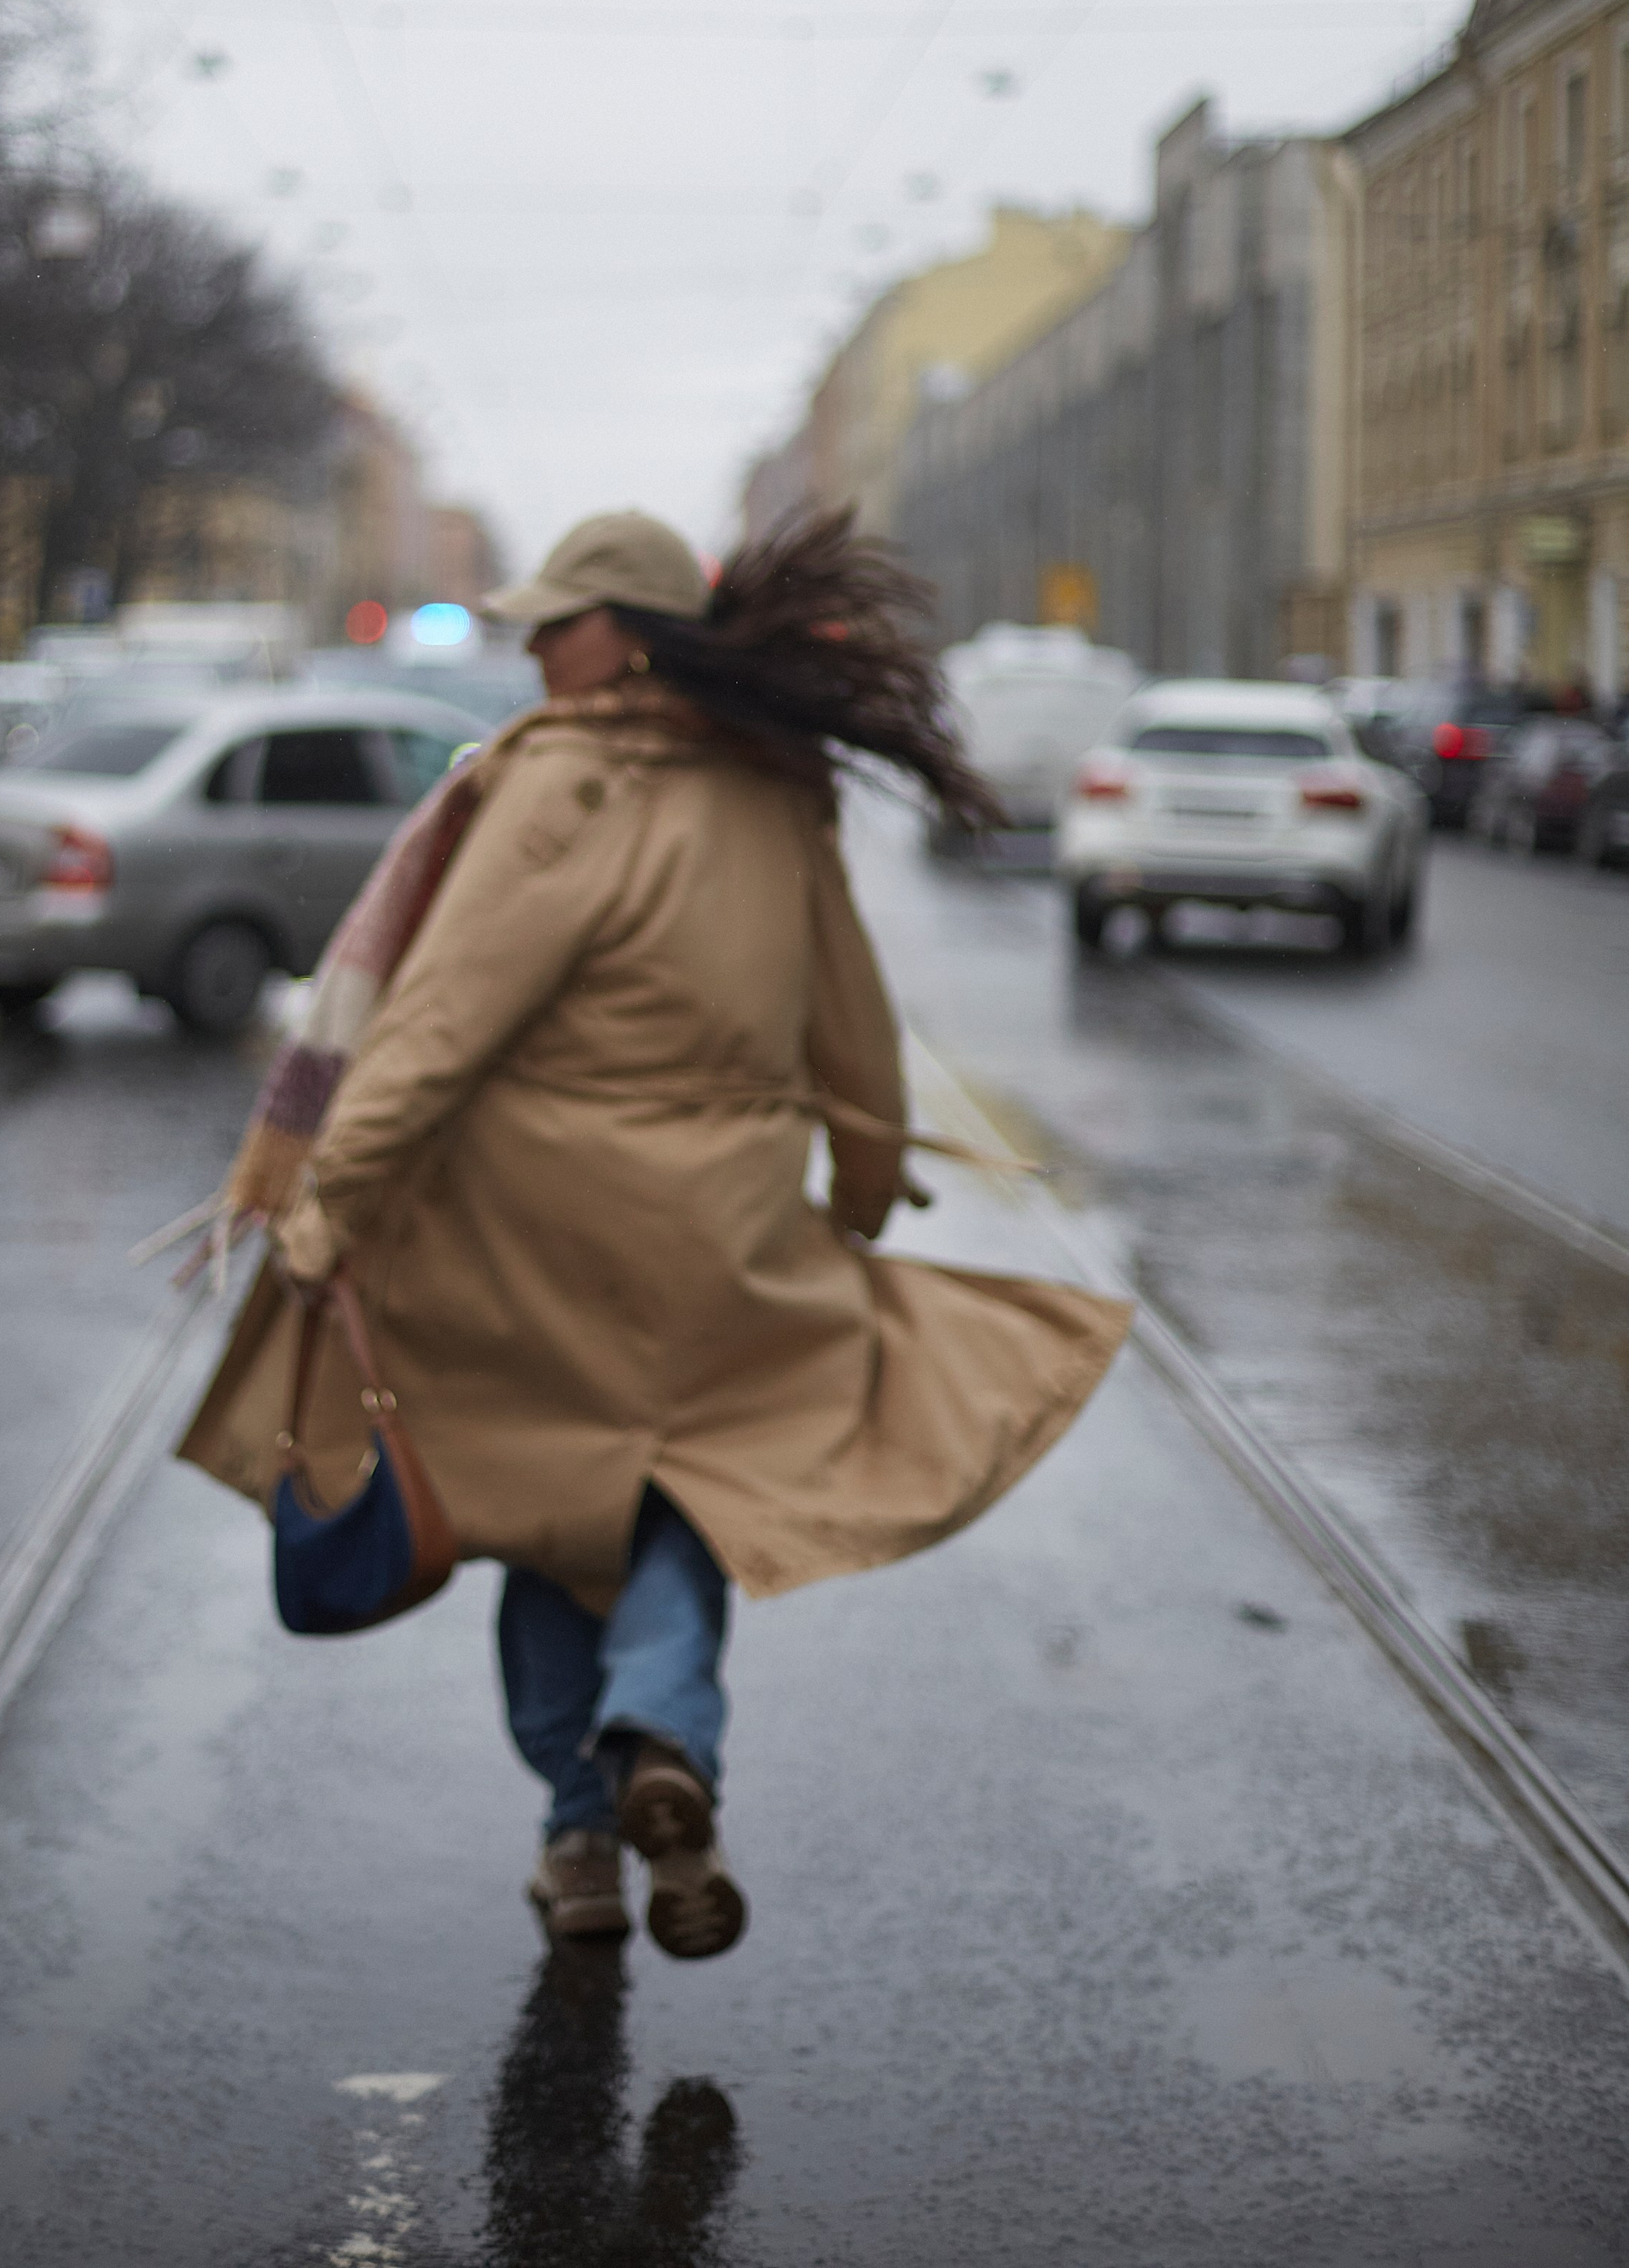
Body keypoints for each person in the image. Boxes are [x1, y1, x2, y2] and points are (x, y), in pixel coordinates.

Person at [221, 509, 1129, 1958]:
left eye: (555, 624)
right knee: (684, 1488)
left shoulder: (554, 786)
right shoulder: (781, 793)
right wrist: (862, 1186)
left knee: (541, 1510)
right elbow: (851, 1016)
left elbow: (447, 1022)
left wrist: (328, 1200)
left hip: (534, 1234)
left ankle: (583, 1833)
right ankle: (661, 1734)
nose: (531, 650)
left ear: (631, 632)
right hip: (727, 1224)